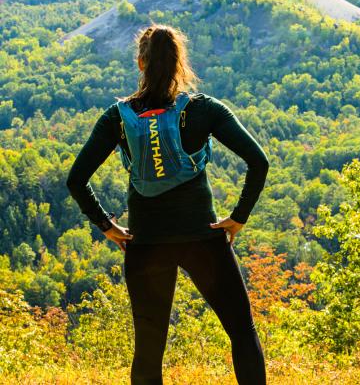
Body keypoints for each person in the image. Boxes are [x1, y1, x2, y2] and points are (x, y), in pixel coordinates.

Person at [66, 23, 270, 385]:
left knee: (149, 348)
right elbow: (258, 161)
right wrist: (238, 217)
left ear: (141, 64)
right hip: (202, 240)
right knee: (241, 331)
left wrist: (107, 226)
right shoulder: (205, 110)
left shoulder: (118, 117)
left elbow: (76, 179)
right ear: (179, 63)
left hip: (146, 245)